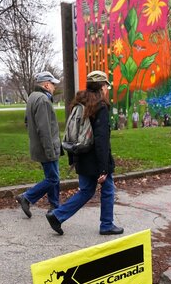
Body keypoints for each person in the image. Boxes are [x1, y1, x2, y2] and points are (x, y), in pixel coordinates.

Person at [45, 70, 123, 236]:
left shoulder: (79, 104)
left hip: (81, 154)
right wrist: (104, 168)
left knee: (86, 191)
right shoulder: (100, 107)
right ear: (101, 87)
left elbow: (72, 132)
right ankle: (106, 225)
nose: (107, 89)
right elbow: (101, 140)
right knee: (108, 190)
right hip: (96, 159)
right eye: (106, 86)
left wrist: (73, 158)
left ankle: (57, 215)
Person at [15, 71, 61, 218]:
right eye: (53, 84)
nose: (54, 87)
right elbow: (44, 129)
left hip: (41, 145)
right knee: (53, 178)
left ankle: (54, 206)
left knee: (53, 177)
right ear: (46, 85)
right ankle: (27, 197)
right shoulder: (42, 100)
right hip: (47, 147)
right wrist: (50, 151)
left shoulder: (32, 97)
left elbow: (27, 122)